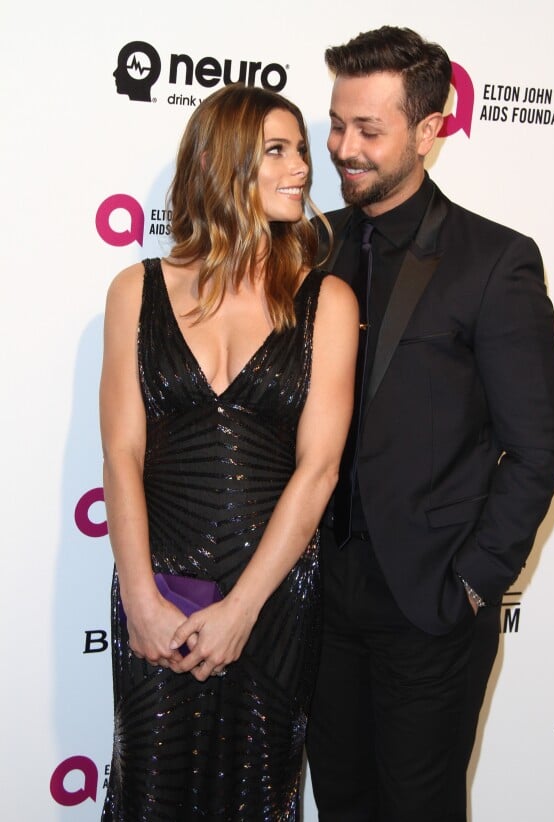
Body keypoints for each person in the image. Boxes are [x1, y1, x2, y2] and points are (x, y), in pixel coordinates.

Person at [305, 25, 554, 822]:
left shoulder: (494, 261)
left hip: (429, 599)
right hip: (318, 594)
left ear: (428, 131)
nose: (344, 148)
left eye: (369, 130)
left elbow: (537, 448)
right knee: (341, 799)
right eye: (338, 123)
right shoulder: (310, 248)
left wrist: (474, 582)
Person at [99, 84, 358, 820]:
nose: (302, 168)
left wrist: (244, 608)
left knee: (256, 792)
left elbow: (319, 470)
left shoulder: (325, 301)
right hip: (161, 595)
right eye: (277, 150)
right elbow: (121, 452)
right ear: (220, 161)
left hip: (272, 601)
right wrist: (140, 597)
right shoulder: (136, 290)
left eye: (301, 151)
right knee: (152, 789)